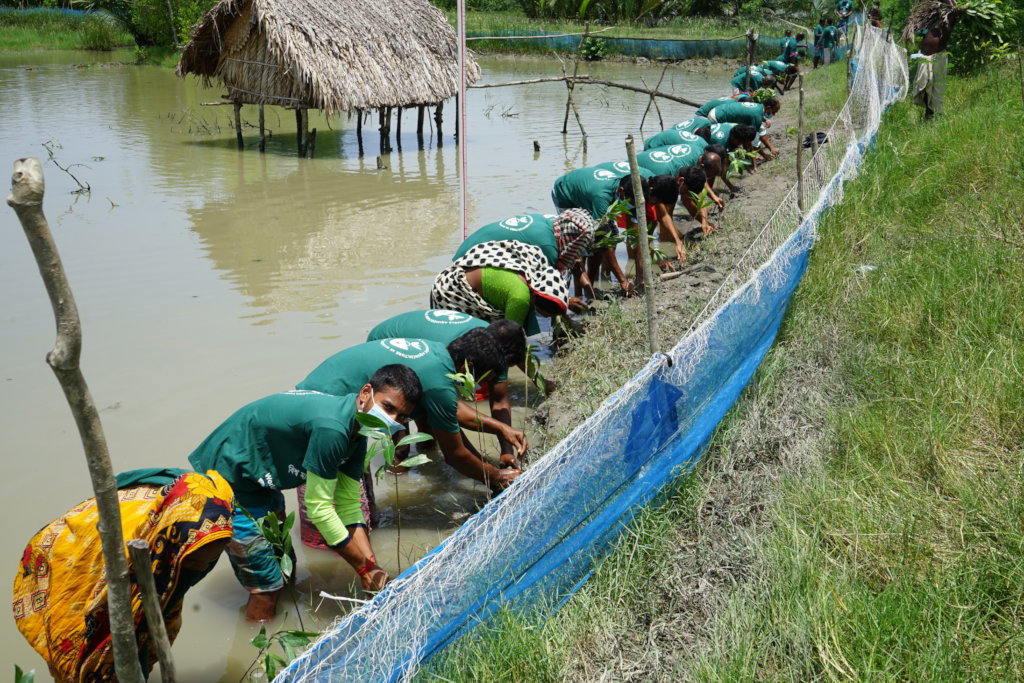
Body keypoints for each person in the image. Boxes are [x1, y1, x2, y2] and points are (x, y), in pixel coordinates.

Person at [190, 365, 423, 620]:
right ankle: (260, 640)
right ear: (366, 392)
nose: (393, 420)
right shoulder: (333, 429)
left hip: (263, 479)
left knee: (284, 564)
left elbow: (348, 506)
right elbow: (320, 509)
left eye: (402, 417)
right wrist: (364, 569)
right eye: (388, 407)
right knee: (267, 585)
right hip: (231, 475)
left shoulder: (358, 430)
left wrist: (372, 566)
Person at [13, 470, 234, 680]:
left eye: (208, 563)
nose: (200, 568)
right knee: (83, 655)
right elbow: (102, 629)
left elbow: (164, 603)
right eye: (194, 562)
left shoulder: (204, 530)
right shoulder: (130, 562)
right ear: (169, 545)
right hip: (62, 558)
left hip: (163, 556)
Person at [367, 311, 528, 464]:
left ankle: (426, 459)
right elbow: (448, 417)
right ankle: (399, 476)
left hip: (420, 352)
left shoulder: (493, 347)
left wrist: (507, 452)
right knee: (401, 444)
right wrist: (485, 468)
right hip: (386, 344)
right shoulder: (455, 352)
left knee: (428, 430)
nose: (499, 375)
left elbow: (499, 401)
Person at [452, 210, 595, 273]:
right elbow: (545, 289)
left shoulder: (546, 223)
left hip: (469, 244)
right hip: (472, 258)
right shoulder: (548, 248)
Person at [906, 0, 960, 119]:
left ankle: (934, 114)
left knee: (936, 88)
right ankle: (928, 112)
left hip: (938, 57)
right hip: (925, 57)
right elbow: (917, 27)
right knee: (923, 86)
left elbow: (954, 7)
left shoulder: (950, 17)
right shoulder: (931, 19)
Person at [707, 98, 781, 159]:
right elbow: (753, 141)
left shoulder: (759, 107)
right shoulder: (757, 115)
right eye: (774, 112)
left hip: (719, 110)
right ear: (768, 107)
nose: (773, 114)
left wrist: (771, 148)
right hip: (717, 117)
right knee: (725, 141)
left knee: (741, 137)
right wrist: (764, 155)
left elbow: (760, 133)